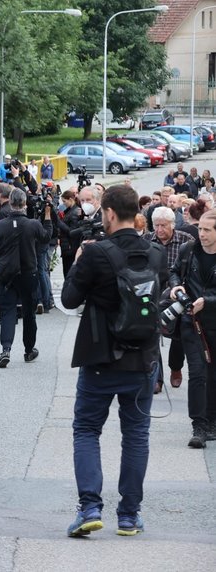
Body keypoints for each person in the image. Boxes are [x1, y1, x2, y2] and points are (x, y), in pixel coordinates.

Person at [61, 184, 164, 538]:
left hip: (101, 357)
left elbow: (70, 299)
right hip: (142, 359)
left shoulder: (96, 253)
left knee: (87, 429)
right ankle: (129, 515)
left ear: (107, 213)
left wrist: (77, 264)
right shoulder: (155, 253)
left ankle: (90, 507)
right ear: (137, 214)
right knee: (136, 434)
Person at [169, 209, 216, 449]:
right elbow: (174, 272)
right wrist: (176, 287)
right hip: (191, 322)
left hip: (213, 320)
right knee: (198, 372)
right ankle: (198, 425)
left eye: (208, 230)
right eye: (200, 229)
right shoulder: (189, 250)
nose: (202, 234)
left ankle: (212, 421)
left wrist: (207, 301)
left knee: (213, 372)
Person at [0, 189, 53, 368]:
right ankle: (29, 350)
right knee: (29, 313)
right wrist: (48, 217)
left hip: (7, 273)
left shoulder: (1, 225)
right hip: (28, 272)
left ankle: (6, 349)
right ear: (24, 204)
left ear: (10, 203)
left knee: (7, 312)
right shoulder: (33, 224)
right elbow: (46, 237)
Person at [146, 207, 194, 392]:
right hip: (152, 295)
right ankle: (156, 378)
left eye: (163, 225)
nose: (159, 230)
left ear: (172, 225)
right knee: (152, 334)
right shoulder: (146, 240)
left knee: (178, 335)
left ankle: (175, 367)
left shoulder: (186, 241)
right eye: (156, 225)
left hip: (177, 296)